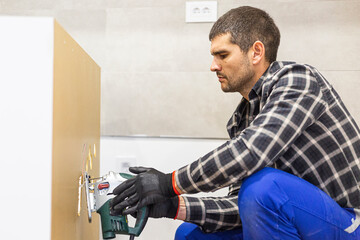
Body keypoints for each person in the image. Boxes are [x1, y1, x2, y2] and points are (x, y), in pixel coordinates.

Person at [110, 6, 360, 240]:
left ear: (256, 52)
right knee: (189, 233)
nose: (213, 66)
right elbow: (242, 206)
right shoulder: (242, 120)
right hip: (299, 220)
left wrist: (169, 183)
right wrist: (174, 205)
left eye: (222, 55)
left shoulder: (298, 81)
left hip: (349, 223)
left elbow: (250, 153)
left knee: (264, 187)